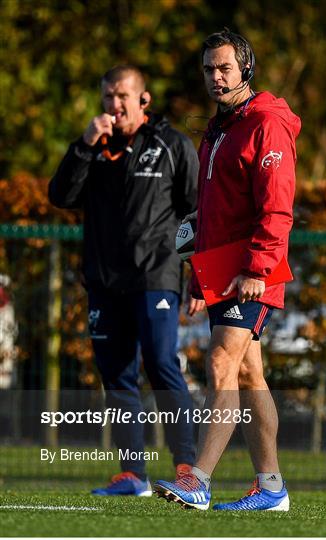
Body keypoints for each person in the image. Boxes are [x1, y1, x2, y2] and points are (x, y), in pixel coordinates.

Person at [154, 30, 301, 511]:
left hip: (253, 269)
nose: (216, 78)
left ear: (246, 69)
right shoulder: (219, 128)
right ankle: (272, 487)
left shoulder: (267, 124)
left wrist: (259, 266)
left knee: (220, 363)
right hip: (224, 269)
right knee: (250, 373)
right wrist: (200, 275)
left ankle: (198, 479)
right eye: (209, 70)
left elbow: (277, 206)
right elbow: (213, 211)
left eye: (225, 69)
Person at [49, 65, 198, 496]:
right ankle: (133, 474)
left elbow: (195, 213)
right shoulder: (92, 149)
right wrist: (82, 145)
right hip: (104, 281)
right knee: (116, 374)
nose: (114, 106)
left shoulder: (171, 145)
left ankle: (187, 467)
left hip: (156, 276)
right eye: (108, 97)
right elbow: (60, 196)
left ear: (143, 100)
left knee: (161, 363)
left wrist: (200, 278)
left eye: (122, 97)